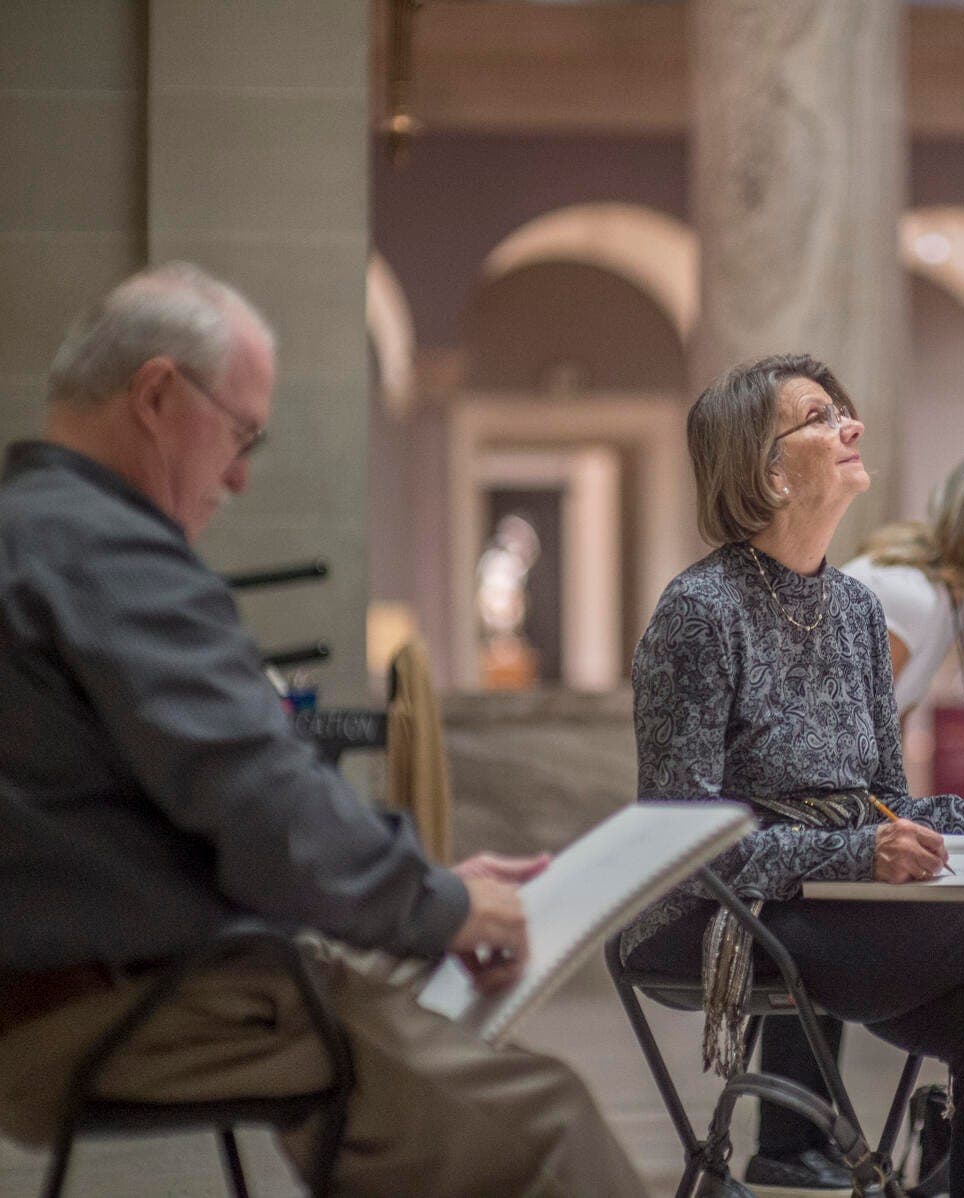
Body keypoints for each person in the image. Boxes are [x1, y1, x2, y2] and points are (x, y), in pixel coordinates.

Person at [0, 264, 639, 1197]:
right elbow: (267, 809)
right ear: (157, 395)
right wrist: (448, 911)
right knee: (541, 1121)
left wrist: (421, 886)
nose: (242, 475)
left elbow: (160, 817)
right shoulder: (106, 549)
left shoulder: (30, 530)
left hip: (66, 995)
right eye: (241, 432)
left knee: (393, 1116)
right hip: (123, 1007)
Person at [622, 354, 964, 1198]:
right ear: (769, 469)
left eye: (843, 412)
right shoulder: (700, 611)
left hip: (828, 903)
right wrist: (857, 855)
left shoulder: (857, 610)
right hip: (720, 917)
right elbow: (680, 844)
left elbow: (888, 802)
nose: (851, 426)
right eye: (822, 417)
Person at [749, 445, 964, 1195]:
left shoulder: (946, 599)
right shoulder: (911, 597)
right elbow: (839, 740)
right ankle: (787, 1139)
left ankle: (793, 1138)